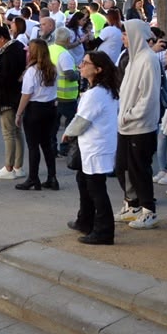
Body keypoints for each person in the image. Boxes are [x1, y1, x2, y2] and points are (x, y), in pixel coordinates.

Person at [63, 51, 121, 245]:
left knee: (96, 188)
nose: (81, 66)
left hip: (96, 147)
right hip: (96, 145)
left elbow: (82, 121)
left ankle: (104, 230)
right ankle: (85, 220)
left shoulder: (96, 93)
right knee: (85, 182)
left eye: (85, 63)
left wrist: (67, 134)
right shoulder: (103, 90)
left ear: (98, 69)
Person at [114, 20, 162, 228]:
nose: (122, 38)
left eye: (125, 34)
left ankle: (148, 210)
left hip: (140, 127)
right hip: (126, 125)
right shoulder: (133, 58)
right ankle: (132, 204)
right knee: (122, 167)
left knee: (139, 170)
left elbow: (149, 97)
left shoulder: (148, 60)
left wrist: (130, 115)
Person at [15, 39, 60, 191]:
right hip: (50, 108)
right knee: (47, 144)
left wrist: (19, 113)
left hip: (35, 109)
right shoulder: (52, 69)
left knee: (33, 146)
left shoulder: (32, 71)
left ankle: (33, 178)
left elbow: (26, 94)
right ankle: (52, 177)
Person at [0, 26, 27, 179]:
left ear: (2, 39)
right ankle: (18, 166)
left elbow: (5, 77)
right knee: (17, 131)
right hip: (16, 96)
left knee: (9, 133)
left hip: (7, 97)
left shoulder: (9, 52)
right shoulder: (18, 48)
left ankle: (9, 167)